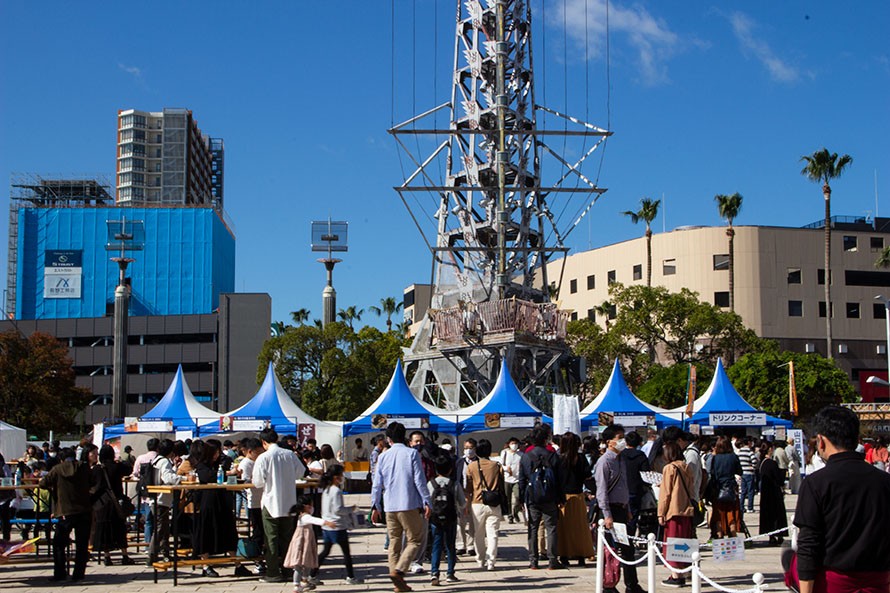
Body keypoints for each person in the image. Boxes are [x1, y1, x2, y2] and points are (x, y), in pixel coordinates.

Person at [786, 405, 890, 593]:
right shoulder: (885, 481)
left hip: (833, 582)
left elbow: (809, 544)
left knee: (791, 558)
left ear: (821, 441)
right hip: (878, 582)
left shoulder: (816, 483)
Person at [370, 422, 431, 593]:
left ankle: (397, 582)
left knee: (394, 543)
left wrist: (375, 505)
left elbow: (377, 484)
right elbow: (419, 480)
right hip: (408, 503)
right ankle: (400, 570)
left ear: (388, 439)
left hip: (390, 505)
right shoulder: (411, 453)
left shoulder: (383, 456)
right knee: (415, 539)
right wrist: (427, 501)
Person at [594, 424, 643, 593]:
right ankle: (609, 584)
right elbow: (601, 491)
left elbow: (624, 485)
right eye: (619, 438)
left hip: (622, 509)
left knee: (627, 549)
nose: (622, 441)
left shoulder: (621, 459)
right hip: (610, 510)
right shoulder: (604, 462)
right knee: (610, 549)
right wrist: (607, 515)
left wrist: (627, 508)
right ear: (609, 442)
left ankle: (632, 584)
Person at [253, 428, 306, 583]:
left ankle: (273, 572)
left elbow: (258, 482)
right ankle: (288, 570)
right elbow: (301, 472)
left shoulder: (263, 457)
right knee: (287, 538)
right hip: (289, 502)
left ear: (263, 442)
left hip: (270, 502)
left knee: (271, 539)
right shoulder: (290, 454)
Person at [39, 446, 93, 582]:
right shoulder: (84, 467)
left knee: (59, 544)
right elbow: (93, 482)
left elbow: (43, 484)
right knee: (82, 544)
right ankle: (79, 573)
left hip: (65, 511)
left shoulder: (57, 469)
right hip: (84, 510)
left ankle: (60, 572)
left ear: (61, 459)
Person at [192, 440, 241, 577]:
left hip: (223, 501)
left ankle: (237, 563)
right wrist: (228, 473)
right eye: (214, 452)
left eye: (218, 452)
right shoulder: (202, 465)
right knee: (206, 532)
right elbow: (208, 477)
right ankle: (206, 564)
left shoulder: (221, 463)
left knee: (229, 531)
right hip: (208, 501)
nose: (217, 455)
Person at [306, 465, 362, 585]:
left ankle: (312, 574)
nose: (342, 477)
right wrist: (351, 509)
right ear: (336, 477)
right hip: (337, 526)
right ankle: (351, 577)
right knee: (346, 553)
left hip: (327, 525)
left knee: (325, 551)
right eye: (341, 475)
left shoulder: (326, 489)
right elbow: (338, 509)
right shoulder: (336, 491)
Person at [518, 425, 564, 571]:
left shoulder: (526, 456)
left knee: (533, 528)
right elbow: (559, 479)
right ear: (546, 439)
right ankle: (552, 560)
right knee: (551, 528)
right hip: (550, 496)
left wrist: (521, 498)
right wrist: (560, 498)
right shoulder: (552, 456)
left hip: (532, 496)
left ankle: (533, 560)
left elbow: (522, 479)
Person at [90, 444, 135, 566]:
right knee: (119, 528)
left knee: (105, 530)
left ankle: (107, 557)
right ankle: (124, 555)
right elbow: (129, 469)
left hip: (102, 503)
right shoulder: (117, 466)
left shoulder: (97, 469)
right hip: (116, 502)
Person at [658, 441, 694, 588]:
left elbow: (665, 493)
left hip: (673, 510)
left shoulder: (669, 468)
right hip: (686, 509)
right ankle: (684, 572)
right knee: (684, 541)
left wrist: (661, 512)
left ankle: (676, 576)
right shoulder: (686, 466)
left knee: (672, 541)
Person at [283, 494, 336, 593]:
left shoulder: (301, 516)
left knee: (306, 563)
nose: (312, 507)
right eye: (311, 505)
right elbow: (315, 520)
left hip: (305, 542)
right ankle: (297, 585)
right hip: (302, 543)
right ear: (306, 506)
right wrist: (327, 523)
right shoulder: (305, 517)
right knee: (299, 565)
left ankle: (304, 581)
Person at [464, 438, 503, 571]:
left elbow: (468, 488)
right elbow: (501, 484)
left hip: (477, 502)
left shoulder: (472, 466)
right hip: (494, 503)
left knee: (478, 533)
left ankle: (480, 559)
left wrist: (467, 504)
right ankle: (491, 561)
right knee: (493, 534)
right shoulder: (496, 465)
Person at [556, 432, 594, 567]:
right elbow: (588, 476)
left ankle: (564, 555)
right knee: (580, 528)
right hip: (578, 496)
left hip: (563, 498)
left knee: (564, 529)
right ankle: (581, 555)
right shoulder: (581, 458)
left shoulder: (558, 458)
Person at [427, 454, 464, 586]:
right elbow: (462, 502)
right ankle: (450, 573)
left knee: (436, 545)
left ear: (436, 469)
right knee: (450, 545)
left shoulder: (431, 484)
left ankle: (434, 573)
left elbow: (427, 500)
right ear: (450, 469)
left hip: (435, 518)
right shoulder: (454, 484)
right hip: (450, 517)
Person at [146, 438, 181, 565]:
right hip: (161, 499)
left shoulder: (156, 460)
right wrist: (182, 478)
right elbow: (168, 478)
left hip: (155, 498)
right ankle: (151, 555)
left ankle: (166, 553)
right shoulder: (164, 461)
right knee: (160, 528)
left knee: (164, 527)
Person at [238, 438, 266, 574]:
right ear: (250, 451)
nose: (260, 455)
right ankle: (258, 560)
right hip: (254, 502)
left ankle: (263, 559)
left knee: (263, 532)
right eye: (258, 452)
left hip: (263, 501)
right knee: (258, 533)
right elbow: (246, 481)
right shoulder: (246, 463)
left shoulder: (257, 461)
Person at [707, 435, 742, 539]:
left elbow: (712, 473)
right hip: (731, 488)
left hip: (718, 488)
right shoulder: (733, 457)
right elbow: (740, 471)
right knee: (731, 513)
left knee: (718, 514)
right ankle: (733, 534)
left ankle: (719, 535)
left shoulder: (715, 458)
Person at [756, 442, 786, 546]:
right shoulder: (772, 463)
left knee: (768, 515)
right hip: (774, 492)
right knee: (777, 515)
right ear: (769, 449)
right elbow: (779, 479)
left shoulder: (762, 463)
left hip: (765, 492)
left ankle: (771, 536)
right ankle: (779, 534)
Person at [622, 431, 651, 538]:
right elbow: (646, 474)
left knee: (621, 518)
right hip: (636, 490)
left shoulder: (620, 455)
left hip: (621, 490)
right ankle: (630, 539)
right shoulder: (641, 456)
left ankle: (620, 541)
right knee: (633, 517)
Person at [454, 438, 477, 556]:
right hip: (461, 494)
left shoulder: (478, 461)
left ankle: (471, 545)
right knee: (460, 521)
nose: (468, 450)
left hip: (474, 495)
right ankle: (460, 544)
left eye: (470, 448)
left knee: (473, 521)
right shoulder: (459, 462)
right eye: (466, 448)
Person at [499, 437, 523, 524]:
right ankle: (510, 516)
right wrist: (506, 469)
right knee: (507, 498)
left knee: (518, 497)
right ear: (509, 444)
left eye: (515, 443)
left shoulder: (521, 454)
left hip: (517, 479)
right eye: (512, 443)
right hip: (507, 479)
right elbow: (501, 464)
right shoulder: (504, 453)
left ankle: (516, 511)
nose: (514, 445)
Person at [736, 436, 756, 513]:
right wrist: (753, 467)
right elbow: (754, 461)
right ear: (749, 442)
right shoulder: (749, 451)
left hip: (742, 473)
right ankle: (750, 507)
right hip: (749, 473)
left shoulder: (740, 451)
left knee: (743, 491)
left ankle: (741, 506)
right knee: (750, 491)